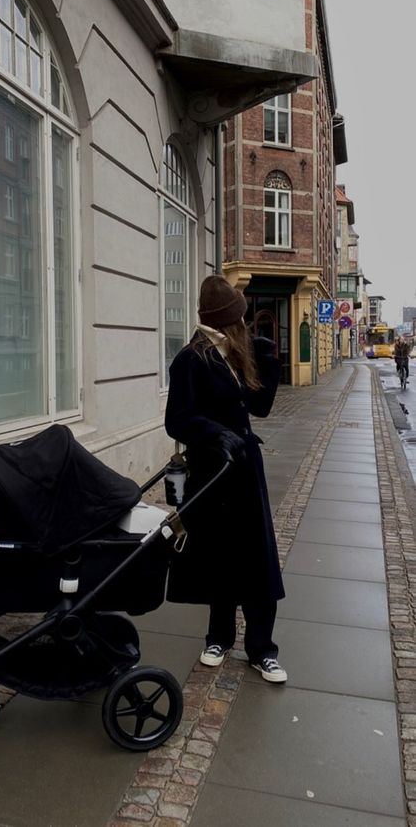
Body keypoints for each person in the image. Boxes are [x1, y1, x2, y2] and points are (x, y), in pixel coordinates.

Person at [165, 275, 286, 683]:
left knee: (257, 559)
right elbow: (176, 419)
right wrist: (214, 433)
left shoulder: (239, 352)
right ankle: (218, 638)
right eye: (238, 318)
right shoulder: (190, 358)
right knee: (219, 556)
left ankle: (262, 649)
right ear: (227, 318)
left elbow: (261, 407)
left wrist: (270, 364)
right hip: (212, 473)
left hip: (246, 471)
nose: (243, 325)